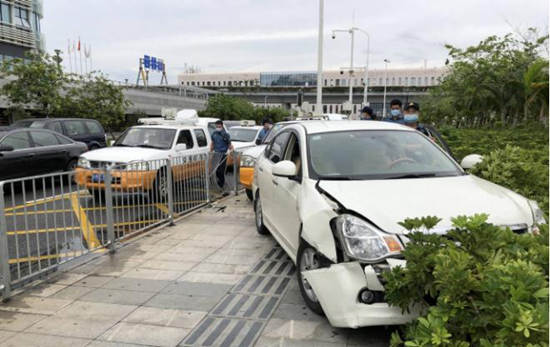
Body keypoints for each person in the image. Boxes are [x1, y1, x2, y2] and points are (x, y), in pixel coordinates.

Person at [210, 120, 233, 192]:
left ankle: (221, 185)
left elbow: (230, 145)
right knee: (215, 171)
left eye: (219, 126)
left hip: (223, 155)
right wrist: (210, 151)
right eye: (216, 126)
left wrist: (231, 151)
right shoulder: (214, 133)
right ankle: (220, 184)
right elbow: (213, 143)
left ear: (222, 126)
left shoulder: (225, 134)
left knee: (221, 171)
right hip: (216, 154)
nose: (218, 127)